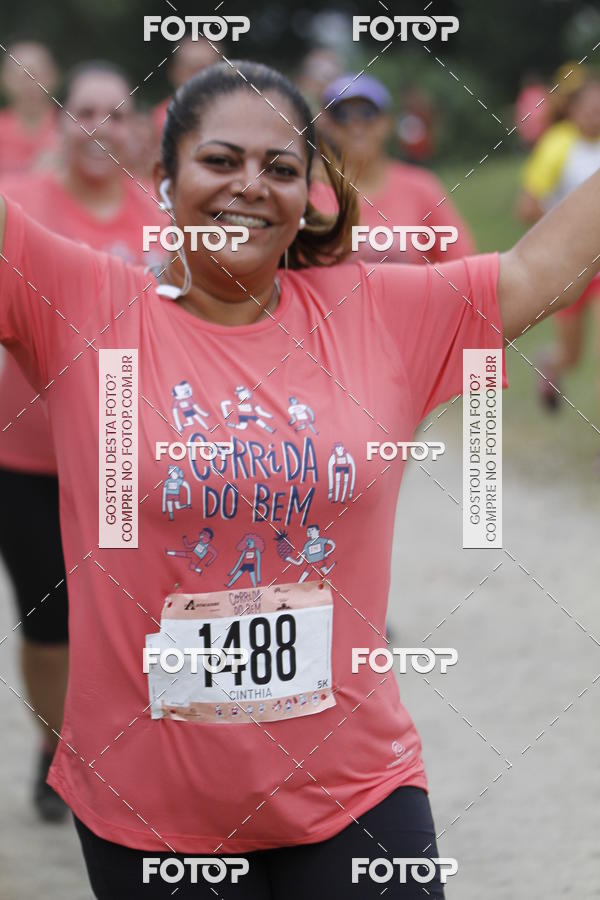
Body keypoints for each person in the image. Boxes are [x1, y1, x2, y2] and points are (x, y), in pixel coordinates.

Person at [0, 59, 595, 898]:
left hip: (355, 788)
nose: (250, 185)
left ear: (307, 192)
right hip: (154, 810)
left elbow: (537, 272)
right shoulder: (80, 301)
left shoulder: (377, 313)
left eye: (280, 168)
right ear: (162, 180)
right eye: (219, 160)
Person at [0, 60, 167, 822]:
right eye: (84, 111)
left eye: (114, 112)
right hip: (27, 457)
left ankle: (140, 754)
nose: (98, 125)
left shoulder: (160, 218)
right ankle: (53, 744)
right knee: (50, 624)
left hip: (128, 464)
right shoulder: (20, 205)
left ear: (134, 128)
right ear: (61, 121)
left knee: (135, 615)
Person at [311, 74, 475, 263]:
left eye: (367, 112)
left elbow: (463, 264)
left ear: (387, 122)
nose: (355, 123)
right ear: (327, 125)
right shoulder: (309, 193)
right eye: (342, 114)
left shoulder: (422, 188)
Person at [517, 77, 600, 419]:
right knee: (572, 356)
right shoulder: (557, 145)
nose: (595, 115)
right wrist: (571, 225)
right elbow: (526, 206)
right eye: (589, 108)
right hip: (570, 268)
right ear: (573, 111)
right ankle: (551, 363)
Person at [0, 40, 59, 176]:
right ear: (4, 80)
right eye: (20, 76)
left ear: (53, 76)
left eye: (35, 74)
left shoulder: (73, 128)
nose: (29, 84)